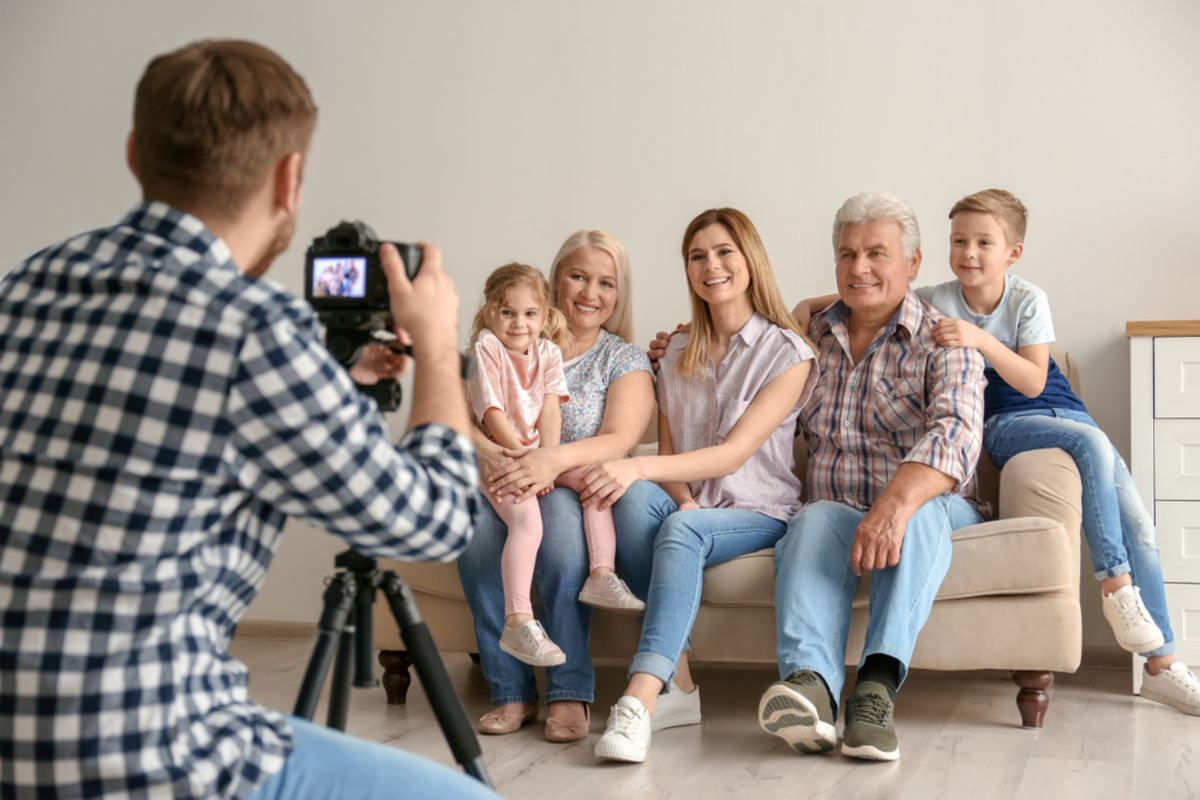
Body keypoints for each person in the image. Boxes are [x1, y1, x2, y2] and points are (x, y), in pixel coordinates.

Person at [0, 40, 494, 800]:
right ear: (289, 177)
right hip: (150, 758)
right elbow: (434, 521)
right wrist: (434, 348)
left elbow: (161, 417)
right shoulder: (250, 325)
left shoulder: (27, 286)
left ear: (136, 154)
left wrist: (332, 381)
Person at [922, 189, 1197, 714]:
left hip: (1069, 416)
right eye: (959, 240)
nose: (969, 253)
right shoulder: (936, 298)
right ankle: (1116, 589)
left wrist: (978, 341)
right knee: (1092, 443)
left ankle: (1161, 664)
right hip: (1006, 425)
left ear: (1013, 253)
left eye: (984, 242)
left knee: (1140, 525)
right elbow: (881, 293)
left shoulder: (1028, 299)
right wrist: (808, 304)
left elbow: (1032, 378)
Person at [755, 192, 989, 763]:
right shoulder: (807, 337)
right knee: (810, 520)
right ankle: (811, 688)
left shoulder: (946, 341)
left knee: (919, 511)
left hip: (933, 505)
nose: (859, 268)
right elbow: (741, 350)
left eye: (877, 253)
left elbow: (955, 437)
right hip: (838, 506)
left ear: (912, 263)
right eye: (847, 254)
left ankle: (875, 692)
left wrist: (893, 506)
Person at [587, 208, 817, 763]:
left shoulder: (788, 353)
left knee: (660, 504)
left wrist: (638, 469)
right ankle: (681, 687)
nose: (710, 265)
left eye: (723, 252)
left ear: (750, 260)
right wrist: (678, 499)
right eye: (697, 256)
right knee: (637, 498)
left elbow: (735, 453)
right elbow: (671, 459)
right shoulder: (675, 353)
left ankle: (640, 697)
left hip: (760, 511)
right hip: (692, 506)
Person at [456, 230, 660, 743]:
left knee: (562, 536)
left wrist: (546, 462)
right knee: (474, 531)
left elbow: (620, 437)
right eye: (578, 276)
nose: (591, 292)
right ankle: (509, 690)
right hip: (502, 472)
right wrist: (490, 452)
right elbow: (458, 411)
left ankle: (569, 690)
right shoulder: (504, 341)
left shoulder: (623, 358)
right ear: (552, 284)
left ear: (618, 294)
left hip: (569, 483)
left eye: (606, 283)